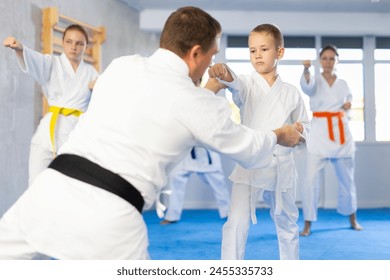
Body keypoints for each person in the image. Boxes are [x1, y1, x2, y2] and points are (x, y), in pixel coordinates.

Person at [0, 7, 303, 260]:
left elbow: (166, 99)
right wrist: (279, 134)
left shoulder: (121, 67)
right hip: (110, 217)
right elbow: (249, 149)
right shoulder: (196, 103)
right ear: (196, 53)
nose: (211, 64)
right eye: (211, 56)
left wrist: (206, 93)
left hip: (47, 193)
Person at [208, 23, 310, 260]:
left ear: (280, 52)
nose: (257, 55)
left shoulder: (292, 92)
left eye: (264, 49)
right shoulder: (247, 84)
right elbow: (234, 82)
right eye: (252, 50)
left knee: (287, 221)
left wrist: (299, 130)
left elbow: (305, 125)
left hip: (281, 162)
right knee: (237, 220)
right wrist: (224, 72)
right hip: (250, 160)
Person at [3, 24, 99, 186]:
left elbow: (104, 102)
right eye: (69, 42)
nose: (73, 47)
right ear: (62, 42)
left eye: (79, 43)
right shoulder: (51, 62)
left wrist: (96, 87)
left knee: (70, 187)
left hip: (75, 136)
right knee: (36, 184)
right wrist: (19, 49)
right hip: (47, 134)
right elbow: (35, 60)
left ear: (86, 46)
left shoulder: (91, 73)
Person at [299, 44, 363, 237]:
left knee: (347, 179)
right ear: (320, 61)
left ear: (337, 61)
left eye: (332, 58)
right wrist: (306, 69)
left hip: (341, 132)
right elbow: (306, 87)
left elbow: (348, 105)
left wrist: (348, 106)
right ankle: (308, 222)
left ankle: (352, 218)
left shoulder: (343, 83)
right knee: (310, 180)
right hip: (319, 131)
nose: (328, 62)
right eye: (325, 58)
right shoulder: (315, 79)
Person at [160, 146, 230, 224]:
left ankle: (228, 212)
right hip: (186, 153)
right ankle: (172, 216)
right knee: (175, 179)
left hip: (206, 153)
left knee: (219, 184)